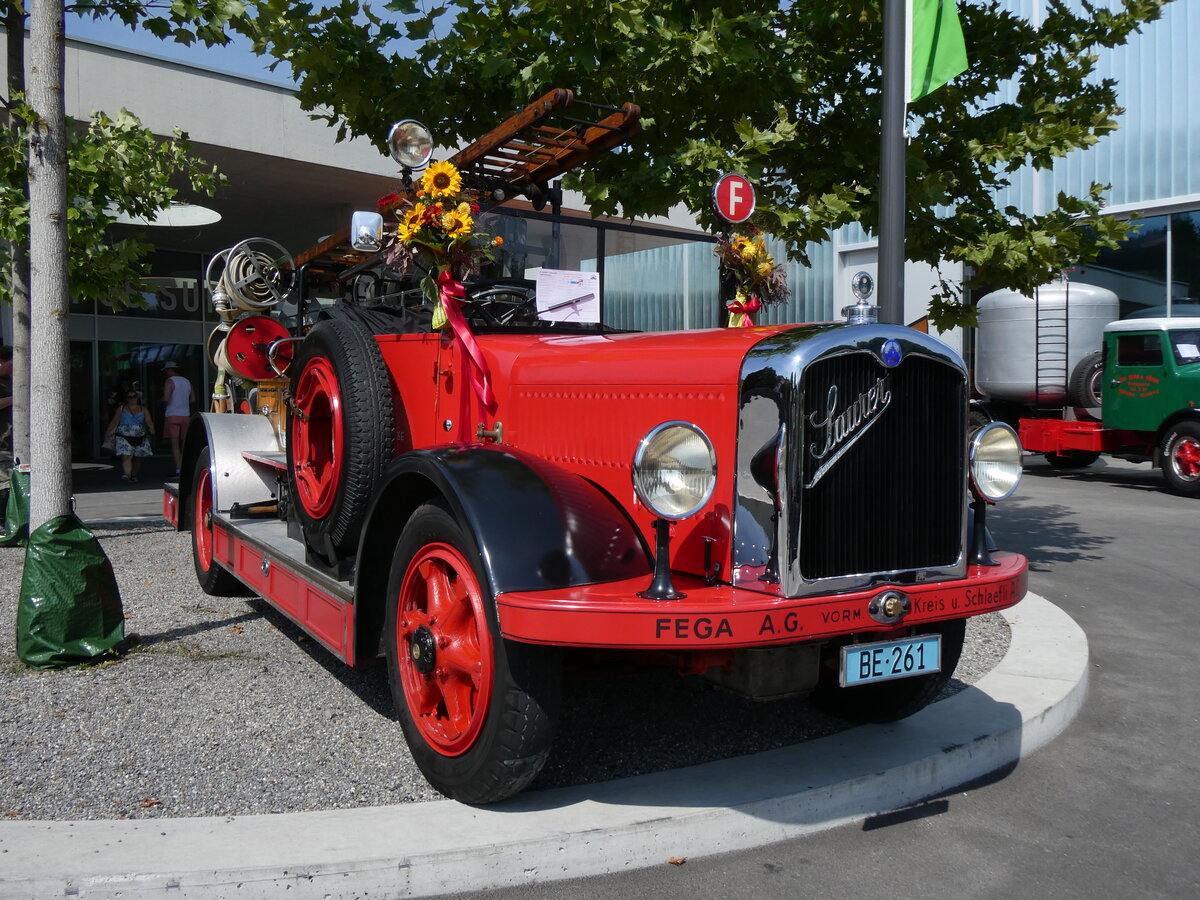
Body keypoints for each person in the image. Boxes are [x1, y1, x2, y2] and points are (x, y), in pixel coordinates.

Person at [105, 390, 156, 482]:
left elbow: (148, 421)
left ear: (137, 398)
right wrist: (108, 432)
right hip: (124, 435)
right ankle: (127, 475)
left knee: (137, 458)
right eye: (130, 397)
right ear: (127, 399)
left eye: (134, 396)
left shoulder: (143, 409)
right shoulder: (121, 408)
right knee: (126, 455)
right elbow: (114, 421)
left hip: (140, 436)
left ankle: (133, 475)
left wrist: (151, 428)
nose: (132, 399)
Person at [162, 361, 195, 475]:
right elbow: (193, 399)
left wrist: (161, 403)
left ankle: (179, 468)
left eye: (166, 371)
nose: (166, 373)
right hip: (185, 415)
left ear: (170, 370)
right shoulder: (187, 382)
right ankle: (187, 467)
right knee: (184, 443)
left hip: (172, 414)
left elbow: (166, 398)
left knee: (175, 444)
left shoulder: (170, 381)